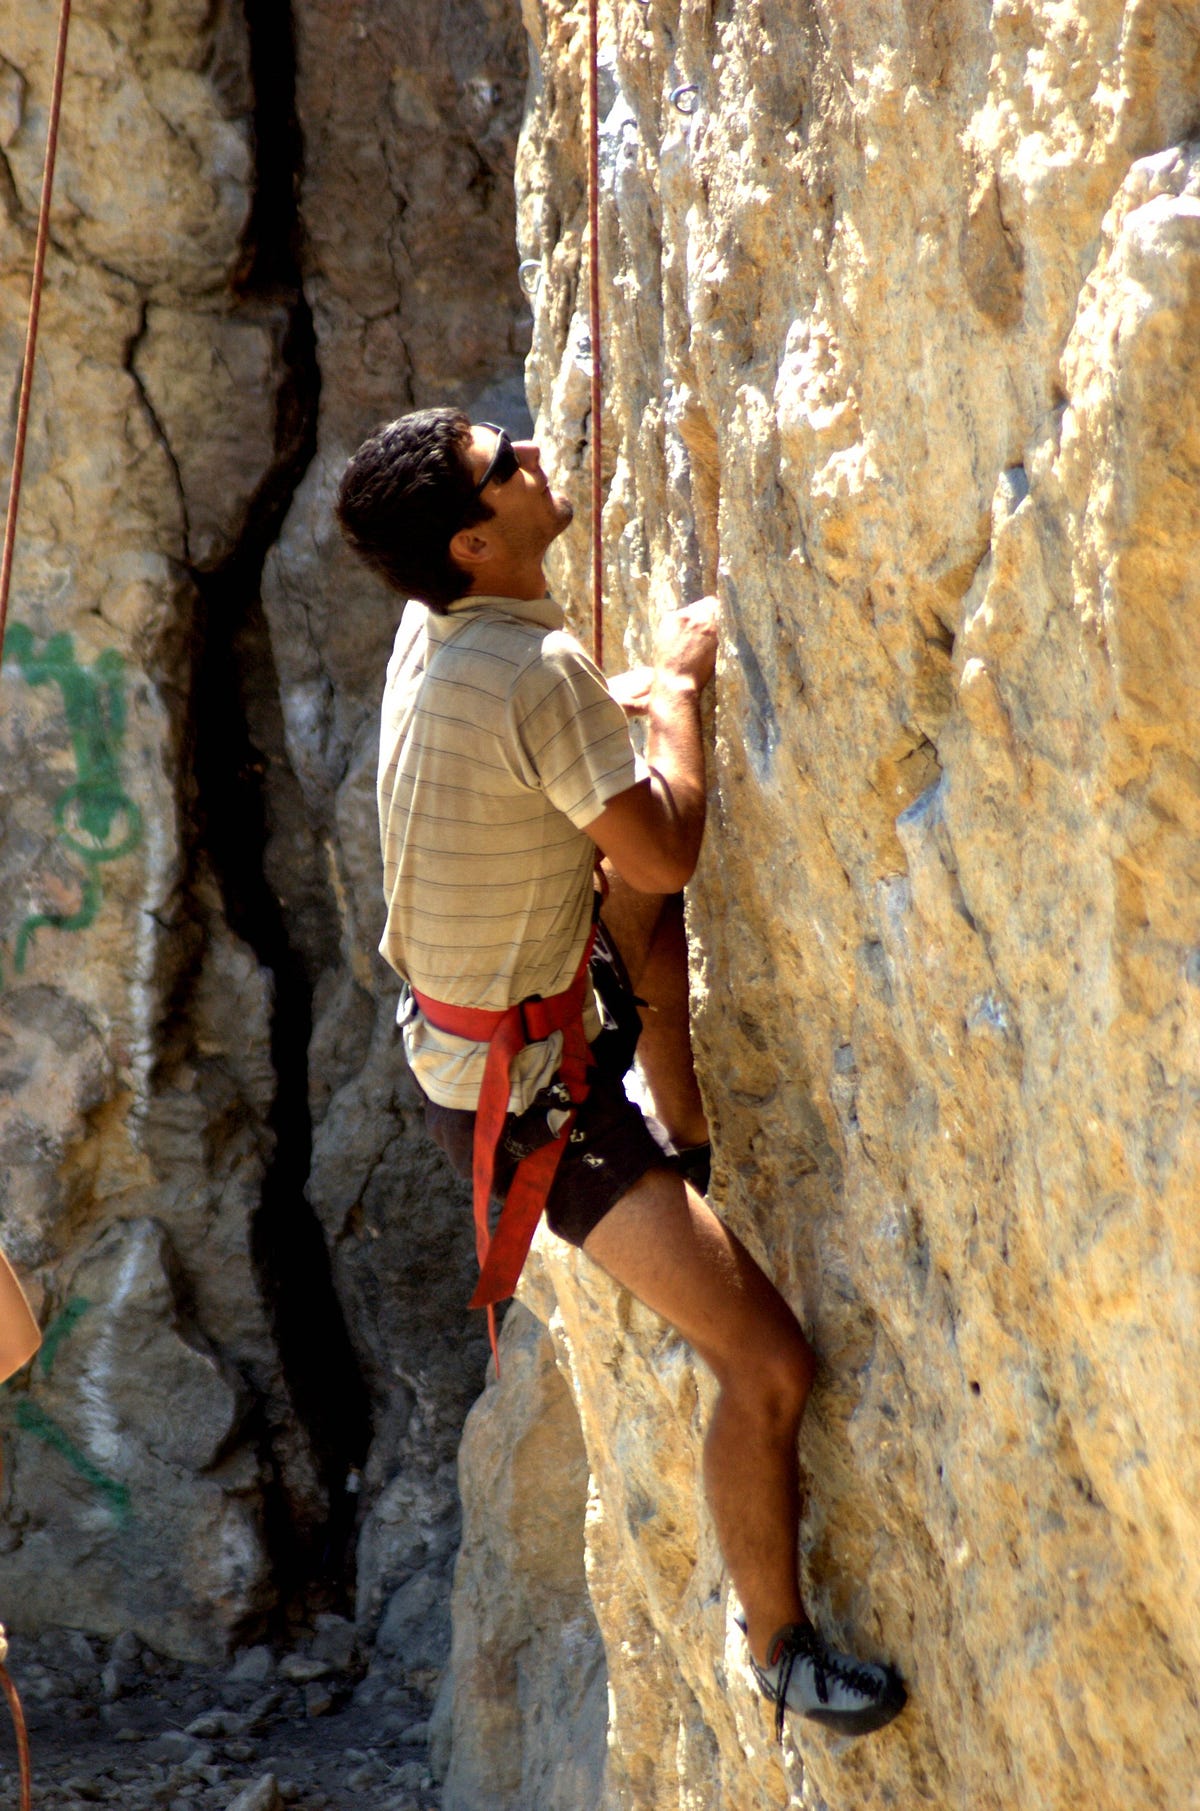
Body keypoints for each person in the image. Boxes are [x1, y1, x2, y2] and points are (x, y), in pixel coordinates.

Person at [336, 407, 906, 1739]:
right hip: (530, 1097)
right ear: (476, 540)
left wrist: (621, 702)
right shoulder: (531, 667)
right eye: (505, 462)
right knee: (767, 1363)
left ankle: (683, 1133)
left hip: (480, 1033)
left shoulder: (442, 626)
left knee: (631, 935)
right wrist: (679, 700)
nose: (535, 448)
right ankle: (781, 1654)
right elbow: (664, 855)